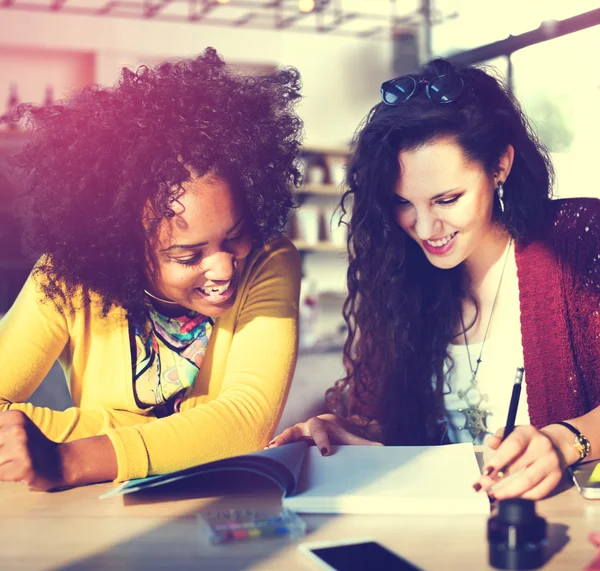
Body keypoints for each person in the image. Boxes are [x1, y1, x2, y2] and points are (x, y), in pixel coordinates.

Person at [270, 58, 600, 501]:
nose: (425, 229)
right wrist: (353, 432)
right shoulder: (397, 274)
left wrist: (565, 440)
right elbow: (392, 427)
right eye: (403, 203)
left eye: (446, 199)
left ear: (500, 165)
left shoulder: (576, 239)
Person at [0, 48, 304, 491]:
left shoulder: (268, 260)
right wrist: (189, 435)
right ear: (124, 247)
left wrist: (67, 459)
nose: (223, 269)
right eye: (188, 256)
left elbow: (245, 425)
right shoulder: (66, 279)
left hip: (217, 509)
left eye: (234, 236)